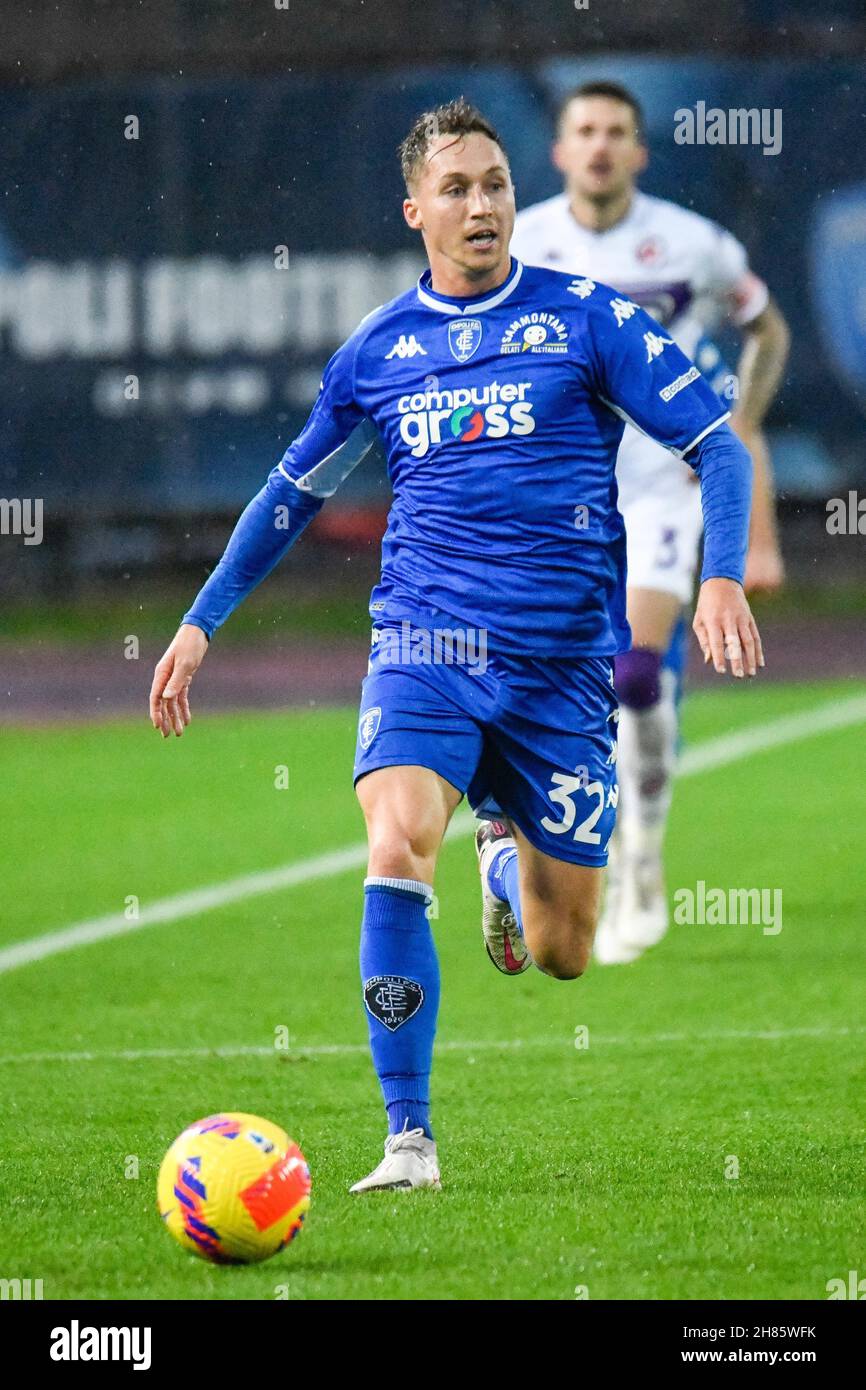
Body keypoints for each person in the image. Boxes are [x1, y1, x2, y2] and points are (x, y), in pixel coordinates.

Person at [149, 99, 762, 1193]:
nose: (481, 204)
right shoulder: (379, 350)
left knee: (564, 950)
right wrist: (200, 623)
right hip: (422, 639)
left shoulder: (585, 319)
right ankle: (408, 1139)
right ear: (414, 210)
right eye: (456, 188)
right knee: (390, 849)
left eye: (493, 184)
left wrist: (719, 572)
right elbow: (289, 495)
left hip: (561, 668)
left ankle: (503, 846)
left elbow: (714, 445)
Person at [510, 81, 789, 964]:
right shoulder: (524, 243)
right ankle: (574, 842)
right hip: (564, 491)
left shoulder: (695, 245)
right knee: (567, 682)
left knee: (633, 671)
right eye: (583, 131)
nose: (599, 146)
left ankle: (639, 861)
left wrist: (737, 422)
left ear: (639, 151)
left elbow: (767, 331)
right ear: (558, 151)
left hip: (660, 485)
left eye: (616, 133)